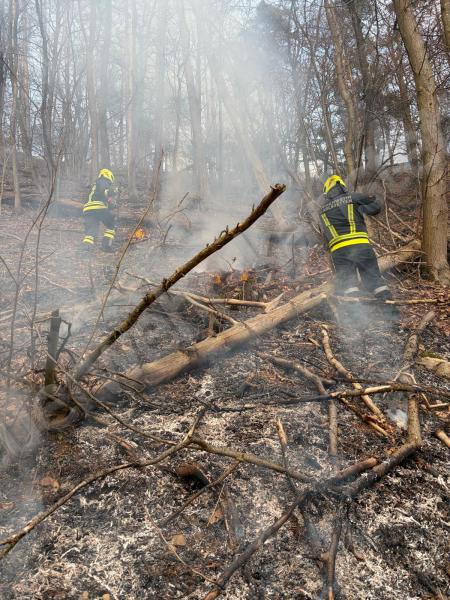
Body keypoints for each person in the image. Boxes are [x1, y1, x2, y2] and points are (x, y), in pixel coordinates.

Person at [319, 175, 397, 316]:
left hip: (339, 252)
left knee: (349, 285)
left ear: (327, 192)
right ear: (342, 186)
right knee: (374, 280)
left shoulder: (322, 210)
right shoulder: (354, 197)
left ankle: (358, 320)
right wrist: (368, 202)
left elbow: (325, 236)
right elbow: (375, 208)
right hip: (361, 247)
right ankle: (391, 314)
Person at [82, 168, 118, 252]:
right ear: (108, 176)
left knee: (91, 229)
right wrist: (115, 190)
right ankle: (106, 246)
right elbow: (106, 191)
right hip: (98, 208)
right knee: (112, 224)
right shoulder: (103, 181)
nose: (110, 183)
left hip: (88, 210)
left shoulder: (94, 186)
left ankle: (86, 249)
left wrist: (112, 205)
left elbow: (102, 197)